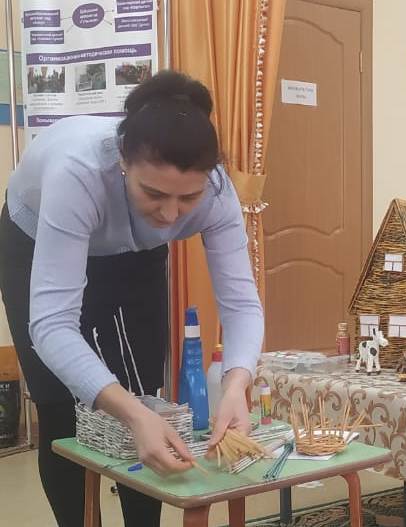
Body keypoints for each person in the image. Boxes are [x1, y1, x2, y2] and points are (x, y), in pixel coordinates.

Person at [0, 70, 264, 526]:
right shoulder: (79, 173)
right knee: (63, 405)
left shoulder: (217, 192)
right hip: (35, 237)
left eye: (188, 198)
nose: (170, 214)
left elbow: (241, 304)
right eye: (154, 193)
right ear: (123, 160)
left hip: (135, 251)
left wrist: (237, 384)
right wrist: (129, 413)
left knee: (146, 396)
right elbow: (52, 326)